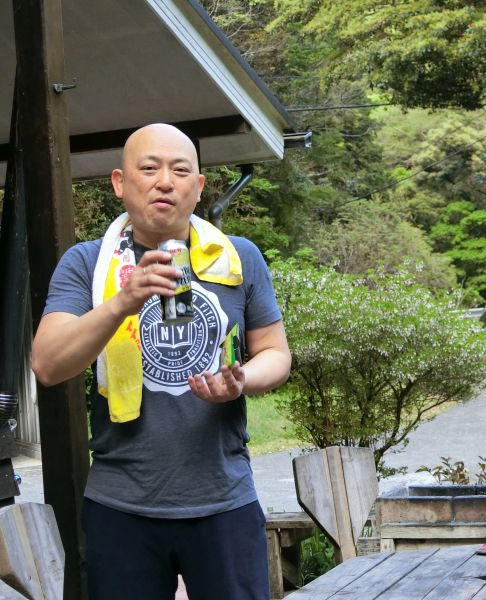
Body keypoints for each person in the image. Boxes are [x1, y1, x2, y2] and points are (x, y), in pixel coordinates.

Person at [31, 123, 292, 599]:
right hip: (121, 504)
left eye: (180, 170)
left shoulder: (239, 258)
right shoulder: (88, 264)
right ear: (119, 182)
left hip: (224, 499)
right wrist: (121, 302)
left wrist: (242, 380)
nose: (165, 182)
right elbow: (48, 365)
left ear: (199, 186)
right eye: (149, 169)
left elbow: (276, 353)